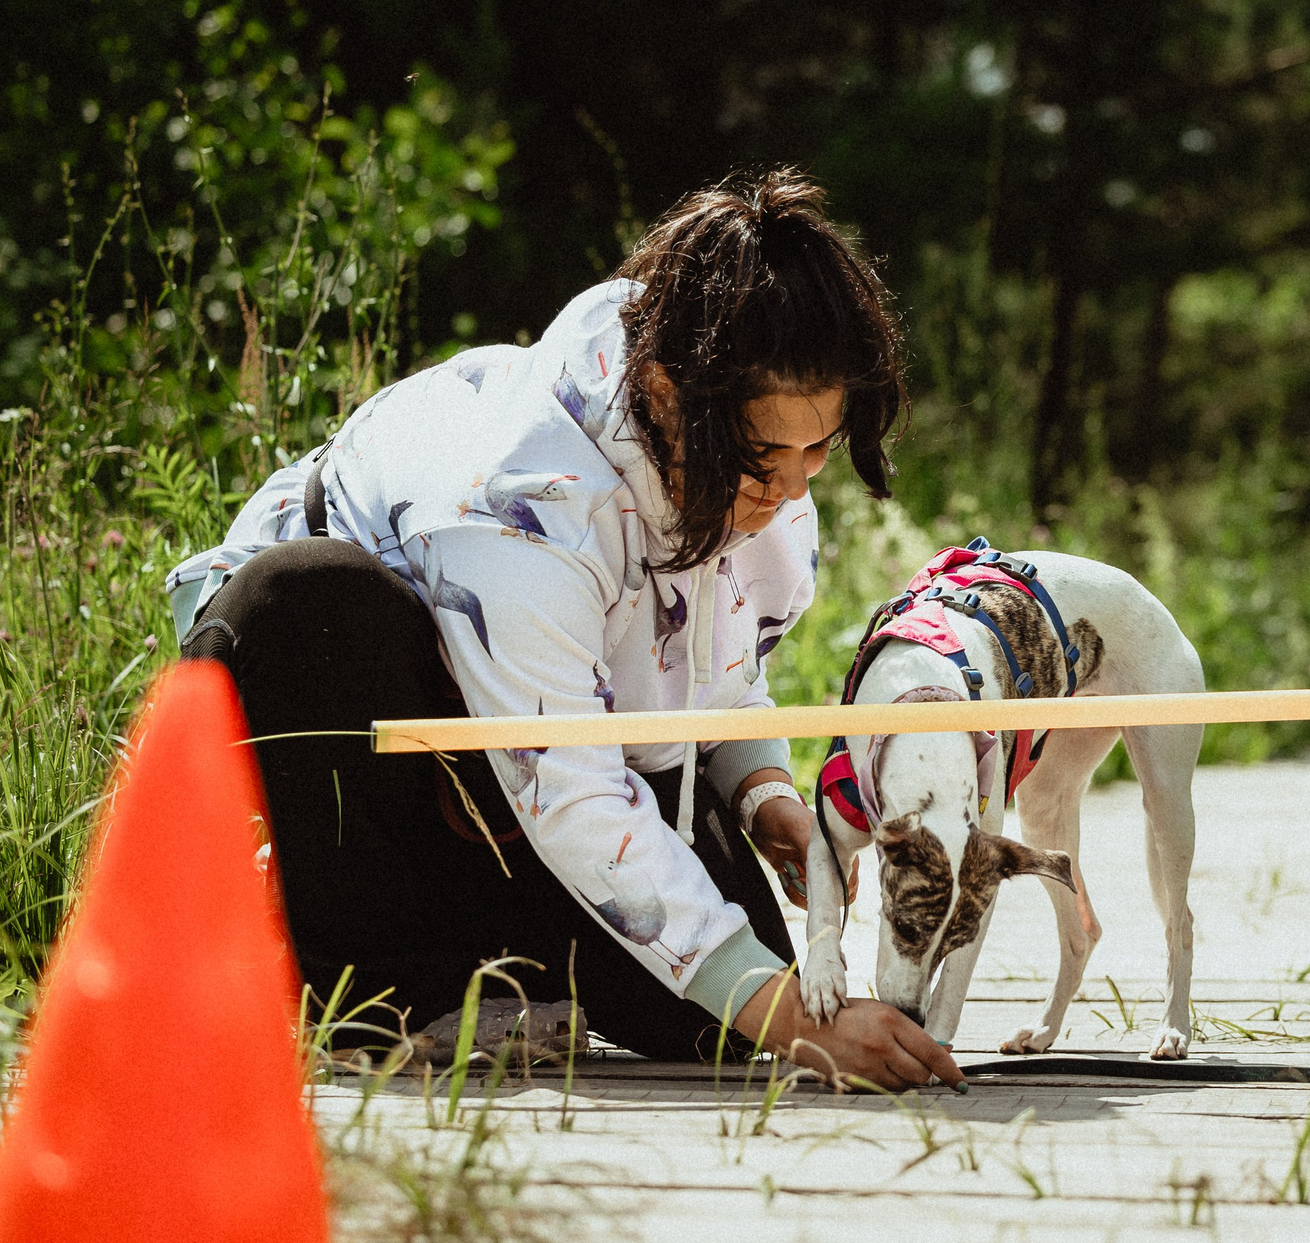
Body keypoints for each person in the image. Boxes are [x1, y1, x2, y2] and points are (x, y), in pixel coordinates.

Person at [166, 170, 960, 1088]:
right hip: (355, 708)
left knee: (718, 1023)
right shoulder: (523, 505)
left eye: (815, 449)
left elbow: (721, 666)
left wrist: (760, 791)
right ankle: (373, 991)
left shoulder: (765, 485)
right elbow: (572, 791)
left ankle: (493, 956)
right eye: (762, 457)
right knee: (304, 606)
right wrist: (790, 1019)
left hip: (535, 750)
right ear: (667, 394)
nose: (787, 491)